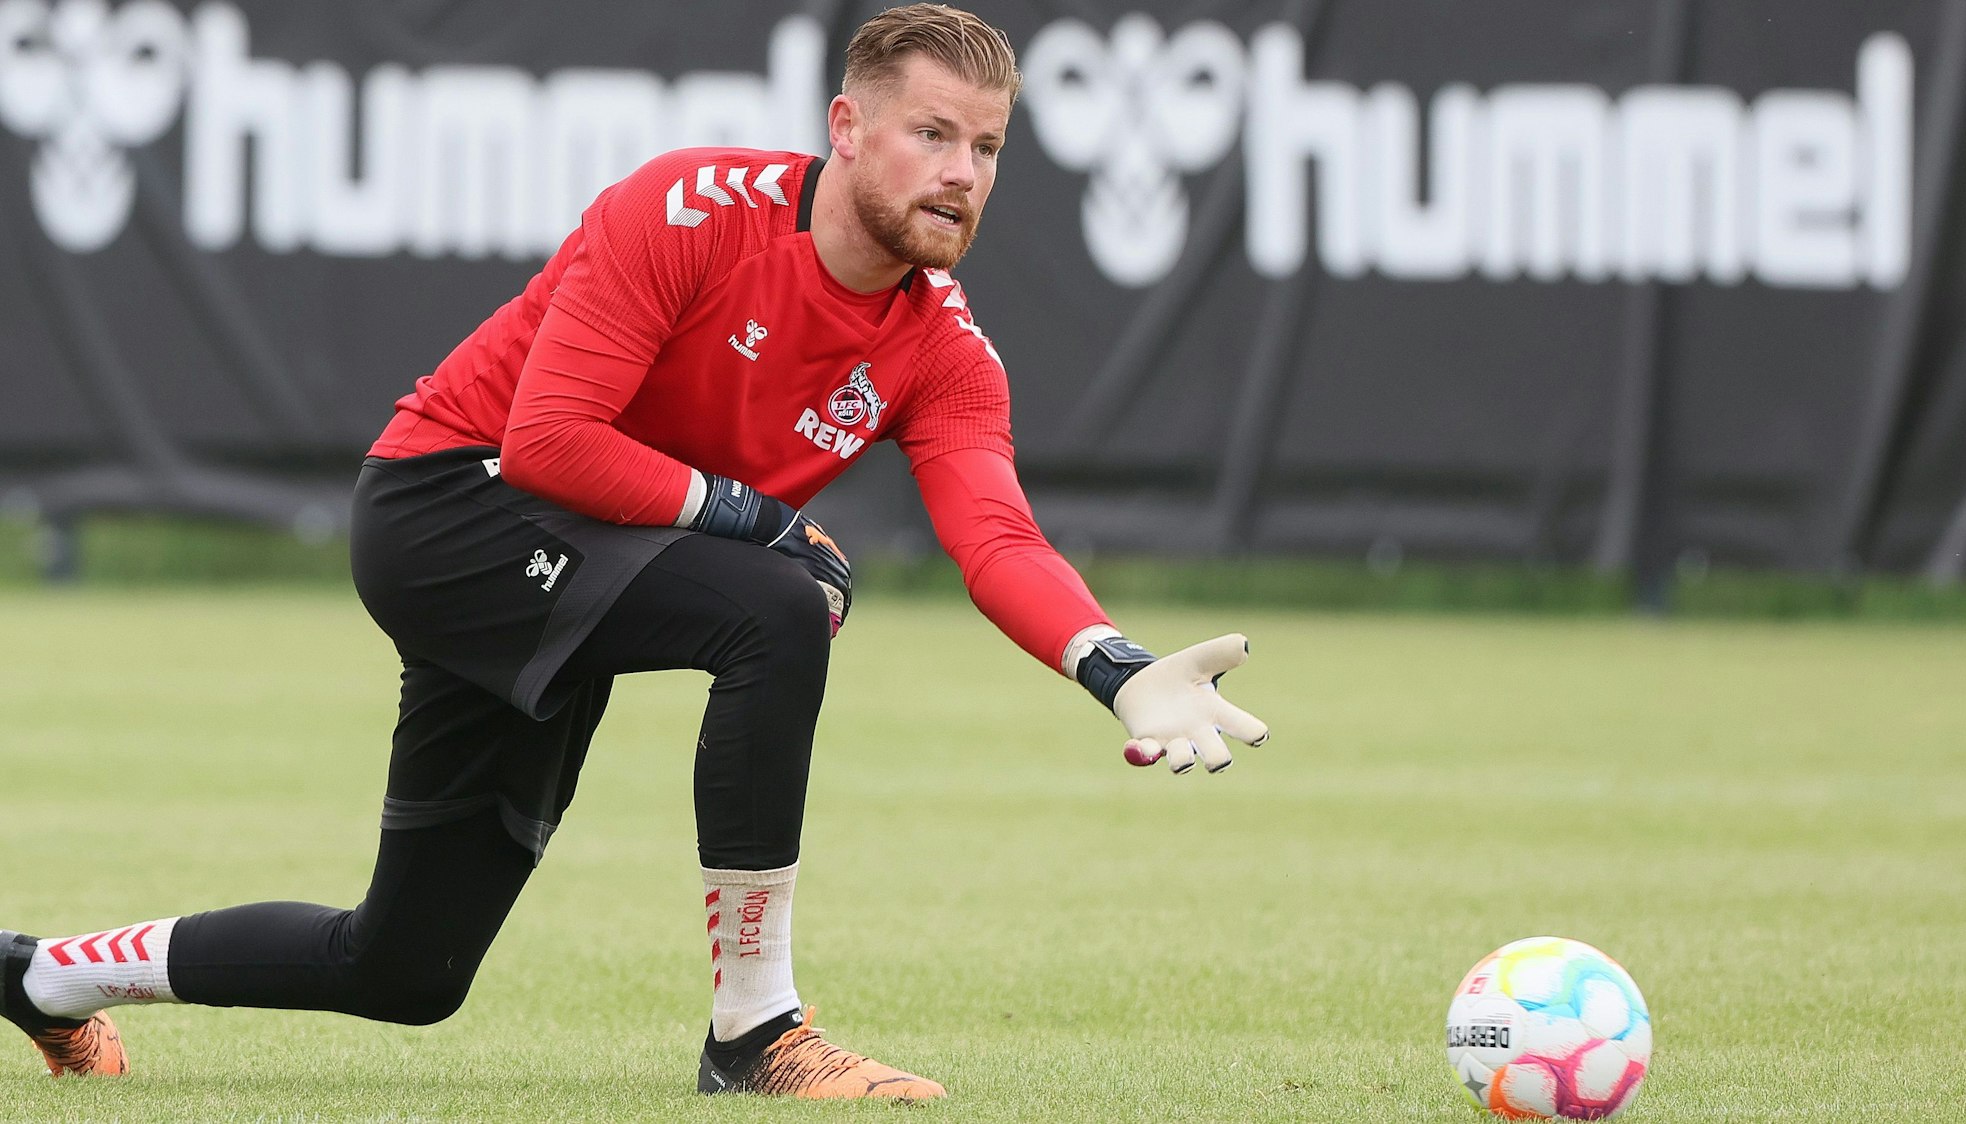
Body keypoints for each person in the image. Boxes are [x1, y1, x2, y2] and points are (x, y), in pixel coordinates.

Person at [1, 3, 1268, 1101]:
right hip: (453, 506)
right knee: (777, 605)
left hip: (589, 552)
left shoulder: (943, 344)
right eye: (931, 133)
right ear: (844, 127)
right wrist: (759, 518)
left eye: (987, 147)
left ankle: (40, 977)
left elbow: (993, 530)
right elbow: (550, 442)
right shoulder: (690, 208)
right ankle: (756, 1031)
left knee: (405, 969)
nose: (963, 172)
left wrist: (1114, 664)